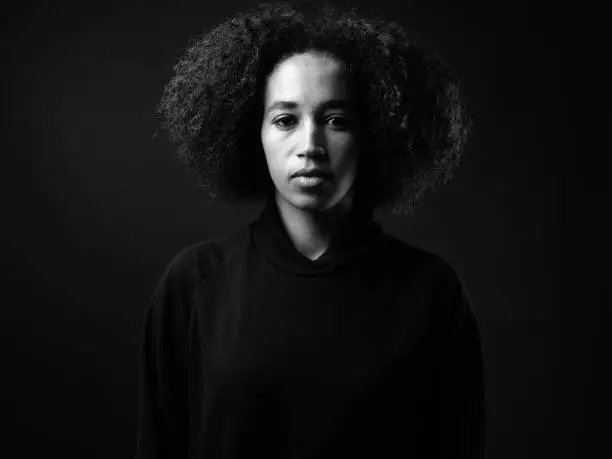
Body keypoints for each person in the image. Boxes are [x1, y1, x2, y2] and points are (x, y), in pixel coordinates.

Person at [134, 1, 485, 458]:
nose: (310, 146)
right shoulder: (194, 284)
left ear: (374, 134)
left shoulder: (431, 292)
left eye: (336, 121)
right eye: (285, 120)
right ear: (250, 131)